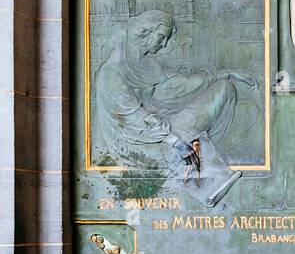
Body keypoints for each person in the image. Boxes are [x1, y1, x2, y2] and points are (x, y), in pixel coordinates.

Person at [93, 9, 255, 165]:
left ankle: (199, 156)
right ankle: (191, 159)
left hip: (162, 128)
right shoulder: (112, 73)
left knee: (224, 88)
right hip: (142, 144)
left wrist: (226, 73)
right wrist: (175, 142)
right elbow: (134, 118)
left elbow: (182, 84)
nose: (164, 45)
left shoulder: (148, 66)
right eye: (162, 37)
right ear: (146, 32)